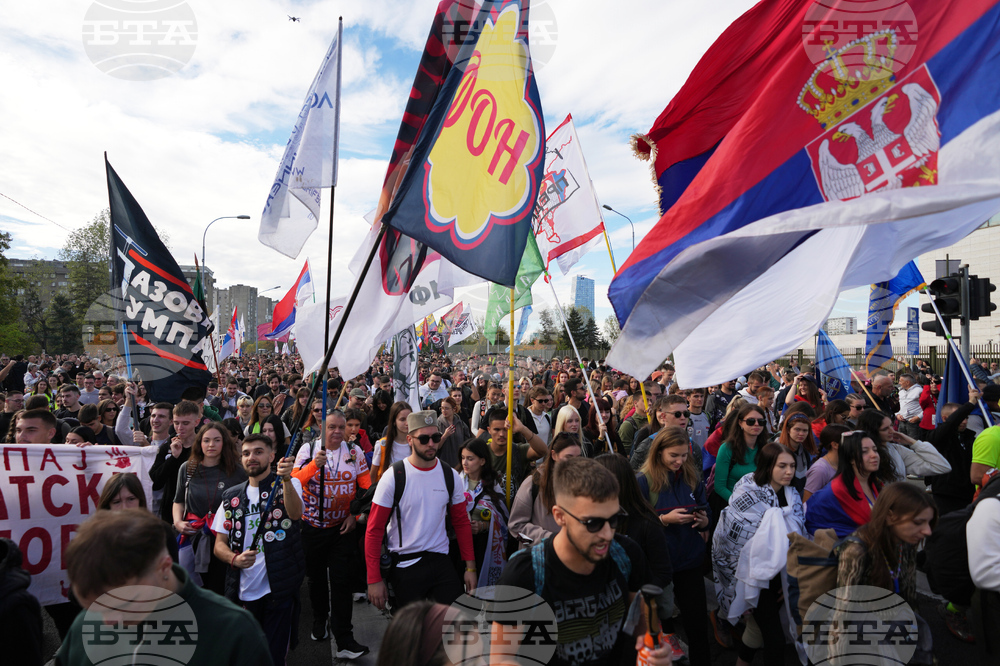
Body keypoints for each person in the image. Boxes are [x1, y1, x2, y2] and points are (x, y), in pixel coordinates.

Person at [497, 456, 670, 666]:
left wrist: (653, 646)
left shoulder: (626, 553)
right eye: (593, 523)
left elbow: (641, 616)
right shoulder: (524, 574)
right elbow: (502, 658)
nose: (607, 534)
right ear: (560, 516)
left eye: (614, 519)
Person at [56, 510, 272, 666]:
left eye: (122, 603)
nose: (108, 623)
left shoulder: (233, 633)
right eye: (95, 607)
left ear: (164, 567)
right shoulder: (85, 625)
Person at [365, 410, 477, 610]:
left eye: (435, 437)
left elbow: (461, 522)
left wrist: (470, 567)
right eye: (424, 439)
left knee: (454, 627)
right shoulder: (394, 476)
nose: (431, 444)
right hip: (405, 565)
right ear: (410, 440)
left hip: (441, 560)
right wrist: (374, 579)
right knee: (411, 636)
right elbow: (374, 529)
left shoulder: (450, 475)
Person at [213, 434, 307, 666]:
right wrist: (234, 559)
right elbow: (218, 545)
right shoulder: (230, 497)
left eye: (258, 452)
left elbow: (295, 515)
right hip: (243, 591)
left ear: (272, 456)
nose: (251, 457)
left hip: (278, 589)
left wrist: (285, 480)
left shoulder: (289, 483)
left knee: (274, 658)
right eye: (246, 453)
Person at [713, 443, 804, 666]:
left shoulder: (792, 496)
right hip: (751, 575)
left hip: (780, 578)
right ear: (767, 465)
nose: (789, 471)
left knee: (756, 631)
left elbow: (799, 537)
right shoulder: (748, 491)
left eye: (792, 466)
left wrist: (788, 578)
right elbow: (733, 540)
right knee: (774, 639)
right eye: (782, 466)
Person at [292, 412, 371, 657]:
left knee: (341, 581)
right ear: (321, 427)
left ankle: (345, 638)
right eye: (332, 427)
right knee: (315, 578)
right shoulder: (308, 448)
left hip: (342, 527)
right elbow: (294, 482)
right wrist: (315, 465)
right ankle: (319, 618)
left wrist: (355, 515)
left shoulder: (355, 452)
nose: (337, 431)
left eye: (341, 427)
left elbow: (366, 487)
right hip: (313, 526)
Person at [834, 483, 938, 665]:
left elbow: (910, 596)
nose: (927, 531)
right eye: (918, 522)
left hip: (896, 629)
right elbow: (842, 614)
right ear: (891, 516)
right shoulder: (857, 550)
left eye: (929, 523)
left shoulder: (905, 543)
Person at [636, 426, 712, 665]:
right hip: (660, 563)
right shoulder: (643, 482)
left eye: (684, 455)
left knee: (697, 622)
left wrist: (704, 521)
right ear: (659, 452)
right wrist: (663, 520)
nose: (680, 461)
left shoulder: (691, 478)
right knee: (660, 622)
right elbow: (635, 525)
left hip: (689, 559)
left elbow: (704, 508)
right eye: (674, 456)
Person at [173, 423, 247, 594]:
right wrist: (177, 522)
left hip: (225, 539)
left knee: (220, 588)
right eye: (206, 440)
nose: (211, 445)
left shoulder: (237, 471)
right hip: (193, 537)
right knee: (192, 589)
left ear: (224, 443)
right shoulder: (188, 468)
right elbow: (178, 500)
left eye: (216, 440)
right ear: (199, 443)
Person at [509, 433, 583, 547]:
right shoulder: (533, 483)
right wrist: (549, 540)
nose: (574, 463)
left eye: (578, 458)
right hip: (539, 558)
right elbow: (515, 528)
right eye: (568, 457)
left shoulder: (583, 485)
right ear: (554, 455)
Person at [805, 431, 883, 536]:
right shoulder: (835, 491)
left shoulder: (875, 484)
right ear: (850, 458)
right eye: (865, 451)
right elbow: (810, 517)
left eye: (875, 450)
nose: (874, 455)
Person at [457, 438, 509, 588]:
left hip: (483, 546)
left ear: (482, 461)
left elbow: (502, 516)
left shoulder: (493, 485)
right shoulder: (456, 481)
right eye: (462, 458)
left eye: (470, 458)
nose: (465, 463)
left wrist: (483, 526)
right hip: (458, 547)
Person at [857, 409, 951, 483]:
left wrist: (914, 443)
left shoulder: (896, 450)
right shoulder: (859, 453)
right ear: (873, 432)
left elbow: (941, 466)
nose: (892, 431)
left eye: (891, 425)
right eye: (885, 429)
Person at [481, 406, 548, 497]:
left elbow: (542, 450)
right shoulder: (482, 452)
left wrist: (522, 429)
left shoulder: (519, 450)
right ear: (489, 430)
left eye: (505, 429)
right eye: (497, 429)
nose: (501, 434)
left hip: (514, 507)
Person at [713, 404, 769, 503]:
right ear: (740, 423)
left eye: (761, 422)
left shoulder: (767, 448)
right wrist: (741, 504)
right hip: (732, 506)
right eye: (750, 421)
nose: (756, 424)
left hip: (761, 507)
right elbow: (719, 487)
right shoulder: (727, 448)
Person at [631, 395, 693, 470]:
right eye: (677, 414)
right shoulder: (649, 444)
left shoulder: (692, 445)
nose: (683, 418)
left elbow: (698, 477)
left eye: (686, 414)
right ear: (663, 416)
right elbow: (633, 474)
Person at [803, 424, 851, 502]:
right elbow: (807, 502)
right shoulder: (820, 469)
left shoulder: (844, 464)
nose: (854, 445)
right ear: (835, 445)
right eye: (849, 441)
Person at [371, 401, 412, 483]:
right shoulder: (382, 445)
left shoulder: (418, 443)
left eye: (409, 419)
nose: (407, 423)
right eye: (402, 419)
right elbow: (373, 473)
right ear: (394, 421)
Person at [777, 412, 818, 493]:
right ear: (788, 430)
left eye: (805, 430)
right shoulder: (776, 450)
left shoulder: (805, 452)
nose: (801, 434)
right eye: (797, 429)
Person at [436, 397, 470, 468]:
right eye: (442, 408)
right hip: (443, 463)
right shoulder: (437, 424)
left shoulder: (461, 424)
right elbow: (436, 446)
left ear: (454, 409)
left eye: (446, 408)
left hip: (458, 463)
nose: (444, 411)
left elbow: (466, 443)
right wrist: (445, 435)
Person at [896, 373, 924, 439]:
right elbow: (899, 405)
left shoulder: (919, 391)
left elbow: (927, 407)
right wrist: (897, 414)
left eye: (900, 381)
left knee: (914, 444)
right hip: (902, 423)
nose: (899, 383)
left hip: (914, 424)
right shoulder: (901, 391)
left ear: (907, 382)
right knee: (902, 444)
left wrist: (918, 417)